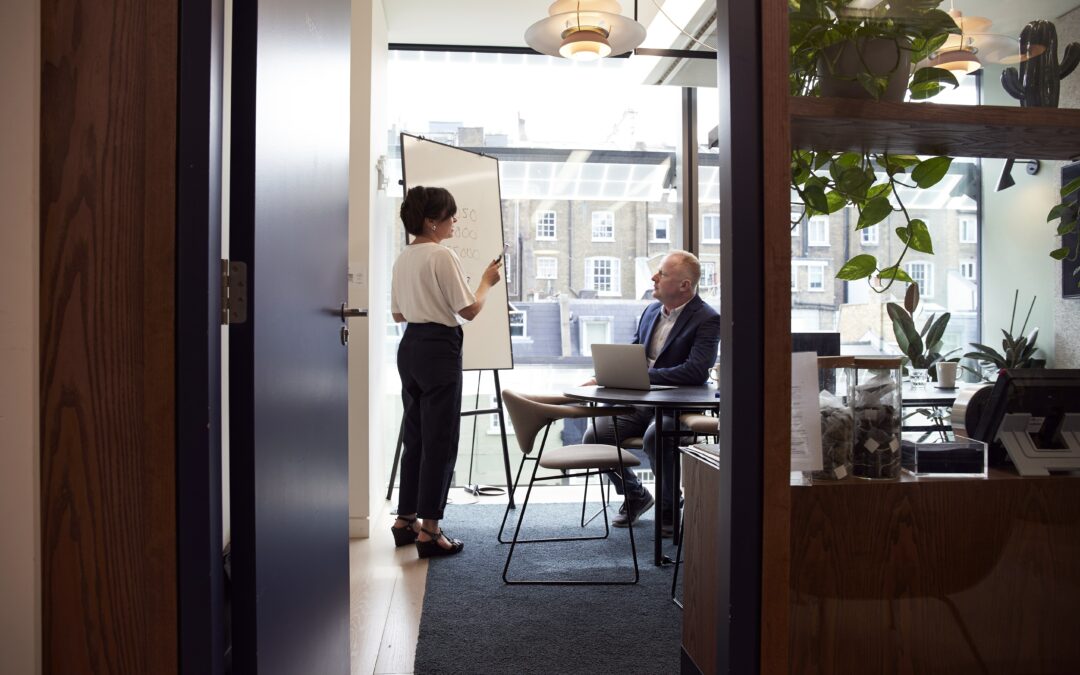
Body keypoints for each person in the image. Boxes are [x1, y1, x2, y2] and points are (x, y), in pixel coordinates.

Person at [389, 185, 502, 558]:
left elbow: (399, 314)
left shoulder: (404, 257)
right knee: (441, 438)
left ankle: (406, 520)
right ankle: (431, 531)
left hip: (410, 346)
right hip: (439, 348)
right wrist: (486, 281)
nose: (454, 221)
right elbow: (468, 310)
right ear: (431, 221)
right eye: (450, 215)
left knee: (416, 436)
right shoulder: (441, 255)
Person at [582, 250, 719, 534]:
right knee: (594, 436)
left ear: (684, 285)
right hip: (642, 402)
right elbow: (633, 355)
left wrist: (643, 376)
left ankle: (669, 507)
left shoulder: (707, 318)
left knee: (656, 437)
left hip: (678, 406)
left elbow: (695, 371)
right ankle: (635, 494)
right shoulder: (649, 312)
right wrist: (604, 375)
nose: (654, 278)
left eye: (662, 274)